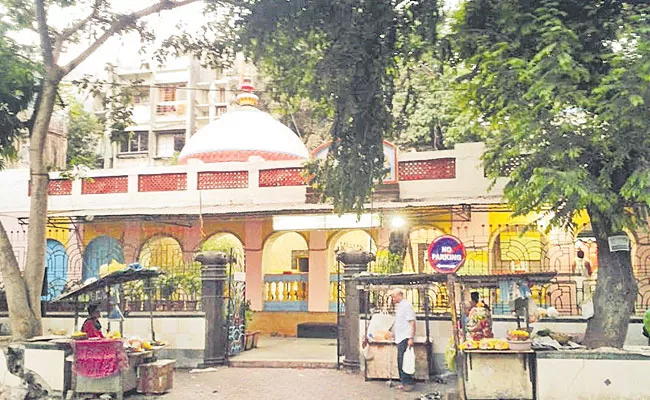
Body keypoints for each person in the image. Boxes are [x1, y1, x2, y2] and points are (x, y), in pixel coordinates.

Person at [389, 287, 416, 392]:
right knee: (400, 360)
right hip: (400, 337)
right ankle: (404, 382)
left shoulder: (407, 306)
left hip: (405, 337)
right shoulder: (400, 306)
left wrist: (411, 338)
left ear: (400, 295)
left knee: (404, 361)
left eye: (394, 296)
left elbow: (412, 323)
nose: (393, 298)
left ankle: (407, 383)